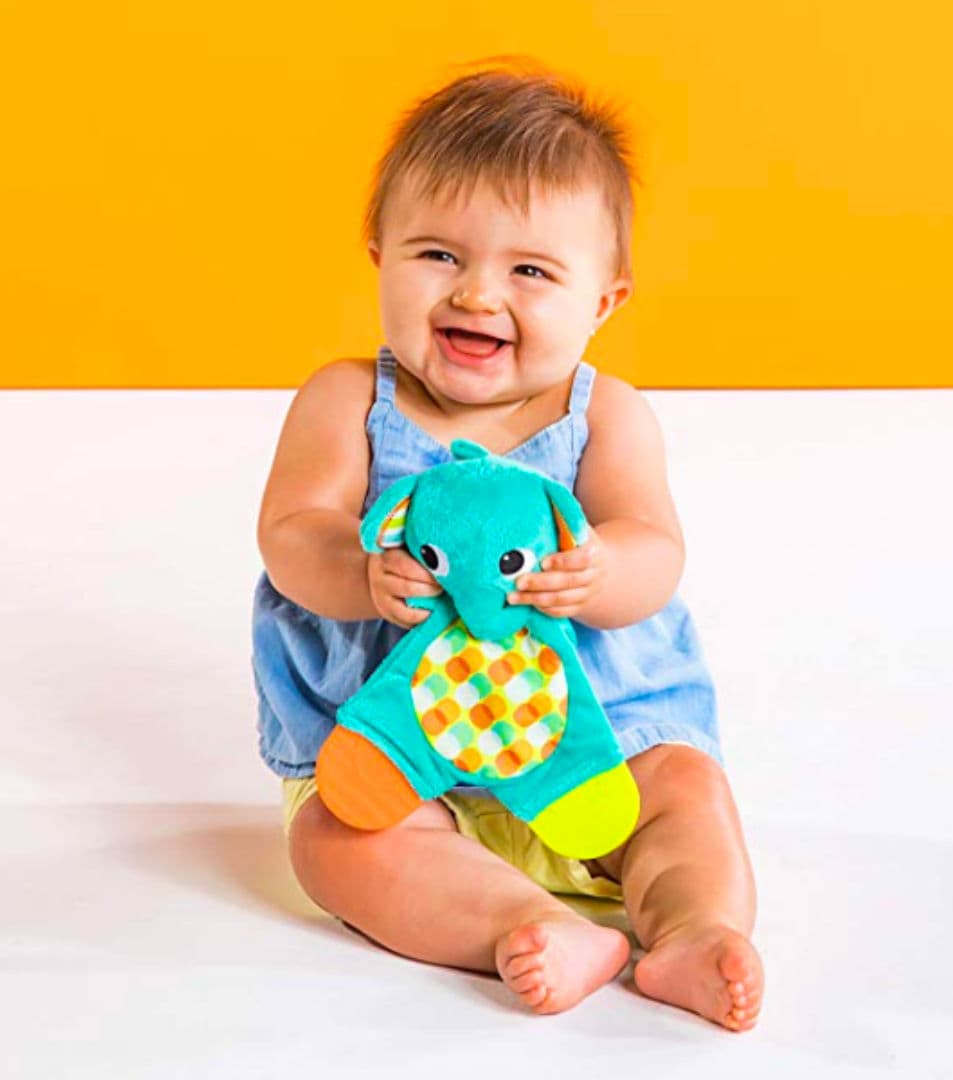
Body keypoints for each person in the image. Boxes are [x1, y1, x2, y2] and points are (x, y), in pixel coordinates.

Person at [252, 60, 763, 1029]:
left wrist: (601, 570)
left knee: (685, 791)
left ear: (604, 300)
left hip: (596, 742)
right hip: (396, 755)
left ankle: (694, 929)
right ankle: (523, 923)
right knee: (333, 842)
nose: (478, 294)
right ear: (379, 254)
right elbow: (291, 532)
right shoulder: (345, 399)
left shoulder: (605, 415)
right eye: (438, 254)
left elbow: (655, 546)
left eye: (530, 270)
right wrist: (359, 573)